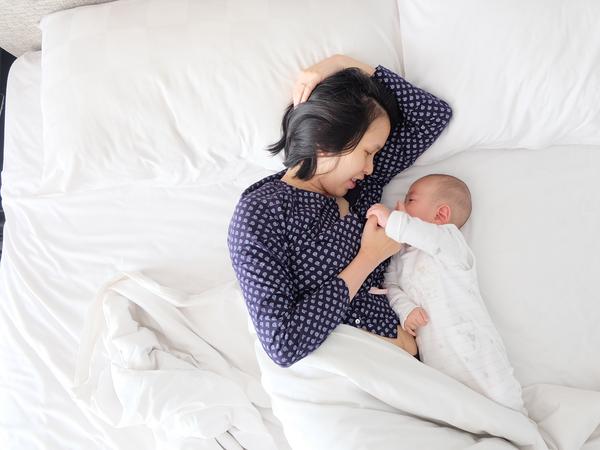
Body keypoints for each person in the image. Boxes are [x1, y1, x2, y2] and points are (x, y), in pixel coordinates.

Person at [228, 54, 452, 368]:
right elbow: (282, 343)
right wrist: (368, 258)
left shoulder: (362, 186)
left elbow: (432, 116)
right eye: (368, 152)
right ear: (330, 135)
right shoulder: (261, 213)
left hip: (407, 369)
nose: (372, 166)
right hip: (347, 376)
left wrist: (344, 64)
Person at [366, 174, 526, 412]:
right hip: (439, 365)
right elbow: (391, 287)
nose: (400, 205)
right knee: (459, 412)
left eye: (410, 200)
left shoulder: (450, 241)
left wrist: (392, 220)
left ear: (440, 215)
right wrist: (406, 309)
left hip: (478, 351)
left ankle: (522, 428)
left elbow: (422, 234)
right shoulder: (401, 255)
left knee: (505, 402)